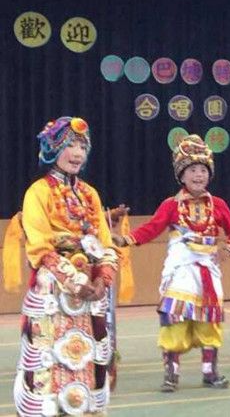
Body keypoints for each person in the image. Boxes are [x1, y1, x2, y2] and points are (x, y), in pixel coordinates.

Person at [113, 135, 230, 391]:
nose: (198, 175)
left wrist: (228, 249)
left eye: (203, 170)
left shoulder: (218, 205)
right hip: (181, 272)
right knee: (174, 319)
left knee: (209, 320)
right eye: (192, 170)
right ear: (182, 175)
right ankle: (171, 374)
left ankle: (210, 372)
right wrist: (126, 239)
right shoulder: (171, 205)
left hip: (208, 272)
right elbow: (152, 228)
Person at [13, 117, 119, 416]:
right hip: (54, 289)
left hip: (91, 290)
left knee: (90, 355)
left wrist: (104, 278)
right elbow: (40, 247)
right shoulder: (38, 192)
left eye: (83, 146)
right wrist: (74, 281)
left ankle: (84, 408)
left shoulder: (90, 194)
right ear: (53, 149)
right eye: (70, 145)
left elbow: (105, 243)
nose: (78, 153)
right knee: (48, 355)